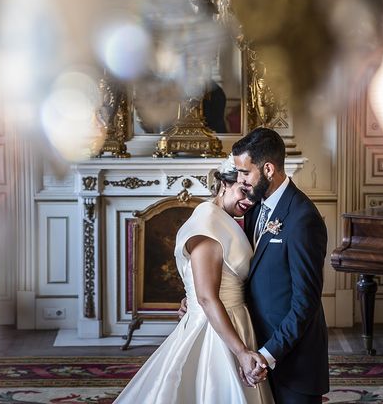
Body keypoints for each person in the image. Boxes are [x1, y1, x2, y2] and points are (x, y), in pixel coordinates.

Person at [114, 159, 274, 404]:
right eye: (244, 192)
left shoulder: (219, 219)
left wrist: (190, 296)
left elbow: (213, 280)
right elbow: (207, 297)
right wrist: (241, 351)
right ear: (224, 184)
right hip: (215, 328)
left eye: (254, 197)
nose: (249, 202)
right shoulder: (209, 224)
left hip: (234, 319)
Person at [232, 127, 330, 404]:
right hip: (256, 348)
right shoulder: (254, 209)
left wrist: (268, 354)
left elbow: (305, 302)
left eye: (245, 172)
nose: (240, 182)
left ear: (268, 169)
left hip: (293, 360)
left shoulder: (303, 219)